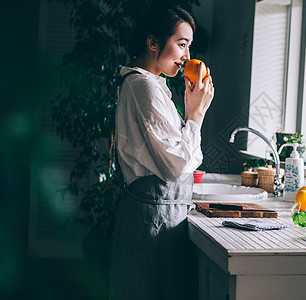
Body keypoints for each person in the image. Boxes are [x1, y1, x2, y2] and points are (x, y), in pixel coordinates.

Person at [109, 3, 214, 299]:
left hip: (158, 220)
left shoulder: (152, 86)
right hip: (151, 222)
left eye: (189, 47)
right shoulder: (144, 87)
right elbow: (177, 167)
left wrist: (193, 113)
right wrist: (196, 115)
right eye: (181, 45)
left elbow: (178, 158)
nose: (188, 57)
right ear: (153, 42)